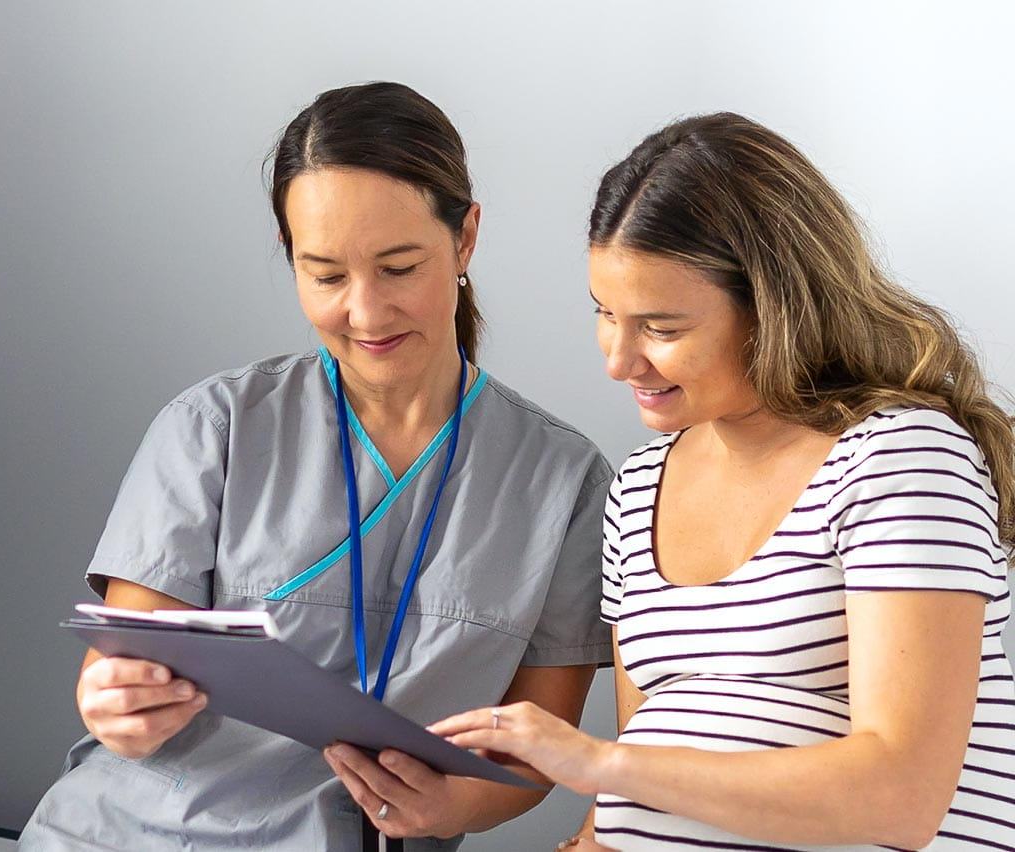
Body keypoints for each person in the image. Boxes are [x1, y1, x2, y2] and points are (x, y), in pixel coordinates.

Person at [18, 82, 613, 851]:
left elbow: (530, 755)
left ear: (465, 239)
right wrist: (115, 708)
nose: (364, 312)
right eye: (326, 275)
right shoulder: (214, 428)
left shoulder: (563, 483)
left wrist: (454, 809)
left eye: (399, 267)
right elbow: (131, 667)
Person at [432, 112, 1015, 850]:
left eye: (662, 328)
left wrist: (597, 764)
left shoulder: (901, 458)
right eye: (605, 314)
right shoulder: (638, 488)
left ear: (773, 309)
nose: (618, 359)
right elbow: (648, 765)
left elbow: (901, 796)